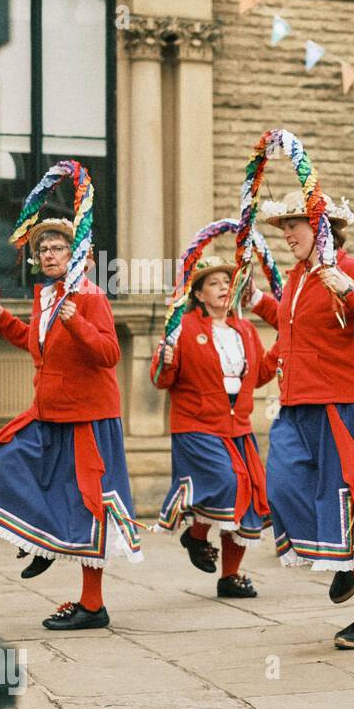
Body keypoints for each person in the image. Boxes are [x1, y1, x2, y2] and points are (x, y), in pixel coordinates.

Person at [253, 191, 354, 649]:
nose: (287, 234)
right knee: (281, 488)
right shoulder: (299, 276)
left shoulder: (349, 269)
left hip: (345, 407)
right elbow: (296, 326)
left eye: (295, 225)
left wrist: (349, 289)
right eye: (283, 226)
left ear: (323, 228)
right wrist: (261, 301)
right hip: (297, 407)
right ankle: (341, 558)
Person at [0, 216, 142, 629]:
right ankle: (42, 541)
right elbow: (39, 346)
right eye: (43, 250)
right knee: (1, 461)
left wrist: (77, 320)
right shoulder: (47, 297)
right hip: (48, 414)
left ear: (77, 256)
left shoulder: (88, 296)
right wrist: (1, 317)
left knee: (89, 508)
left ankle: (92, 605)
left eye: (57, 248)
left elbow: (109, 353)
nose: (49, 255)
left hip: (88, 418)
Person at [151, 255, 277, 598]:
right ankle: (195, 536)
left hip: (237, 426)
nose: (223, 288)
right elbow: (162, 379)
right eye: (214, 284)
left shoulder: (246, 329)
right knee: (229, 481)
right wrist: (165, 357)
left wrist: (283, 348)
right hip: (197, 424)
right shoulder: (184, 326)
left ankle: (230, 576)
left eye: (226, 282)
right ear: (199, 294)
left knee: (249, 495)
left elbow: (261, 375)